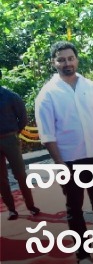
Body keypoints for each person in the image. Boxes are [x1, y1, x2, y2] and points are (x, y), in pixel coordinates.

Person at [35, 41, 93, 264]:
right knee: (74, 208)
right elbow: (47, 135)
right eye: (61, 59)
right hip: (69, 160)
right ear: (54, 63)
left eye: (70, 58)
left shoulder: (91, 87)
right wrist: (60, 164)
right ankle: (82, 254)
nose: (67, 63)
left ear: (77, 59)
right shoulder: (47, 94)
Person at [1, 70, 40, 220]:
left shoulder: (11, 96)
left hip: (10, 138)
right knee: (1, 179)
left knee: (20, 174)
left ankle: (31, 206)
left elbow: (22, 117)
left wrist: (15, 132)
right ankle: (11, 209)